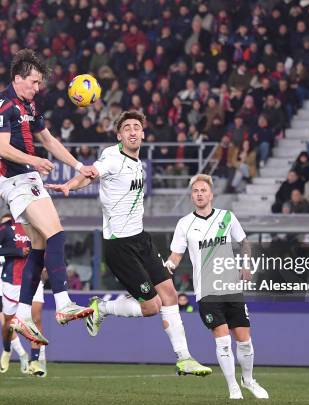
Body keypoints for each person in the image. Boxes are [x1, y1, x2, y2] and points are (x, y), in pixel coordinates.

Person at [46, 110, 211, 376]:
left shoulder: (138, 162)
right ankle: (102, 308)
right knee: (150, 307)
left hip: (141, 239)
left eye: (137, 127)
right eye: (127, 128)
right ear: (119, 135)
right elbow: (91, 174)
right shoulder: (112, 156)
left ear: (143, 134)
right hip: (120, 246)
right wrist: (71, 185)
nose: (133, 131)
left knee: (169, 295)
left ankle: (184, 358)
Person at [0, 49, 95, 343]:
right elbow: (2, 148)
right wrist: (35, 161)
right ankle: (63, 304)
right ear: (18, 78)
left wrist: (77, 166)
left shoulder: (30, 106)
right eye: (34, 82)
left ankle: (22, 315)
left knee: (38, 246)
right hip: (17, 179)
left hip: (28, 177)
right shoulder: (2, 104)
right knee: (56, 234)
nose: (37, 88)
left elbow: (47, 140)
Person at [166, 174, 269, 400]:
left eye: (203, 190)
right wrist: (166, 268)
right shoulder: (184, 224)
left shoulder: (227, 217)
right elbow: (175, 256)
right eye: (195, 191)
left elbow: (244, 243)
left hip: (231, 287)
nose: (200, 194)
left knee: (244, 340)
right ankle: (233, 387)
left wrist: (246, 264)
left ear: (211, 194)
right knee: (222, 339)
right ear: (192, 196)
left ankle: (248, 380)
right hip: (206, 291)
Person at [0, 213, 47, 377]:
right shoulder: (6, 228)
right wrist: (18, 251)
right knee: (8, 323)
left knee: (35, 319)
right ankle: (7, 350)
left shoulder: (37, 225)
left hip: (33, 279)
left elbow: (46, 247)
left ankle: (35, 361)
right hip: (11, 282)